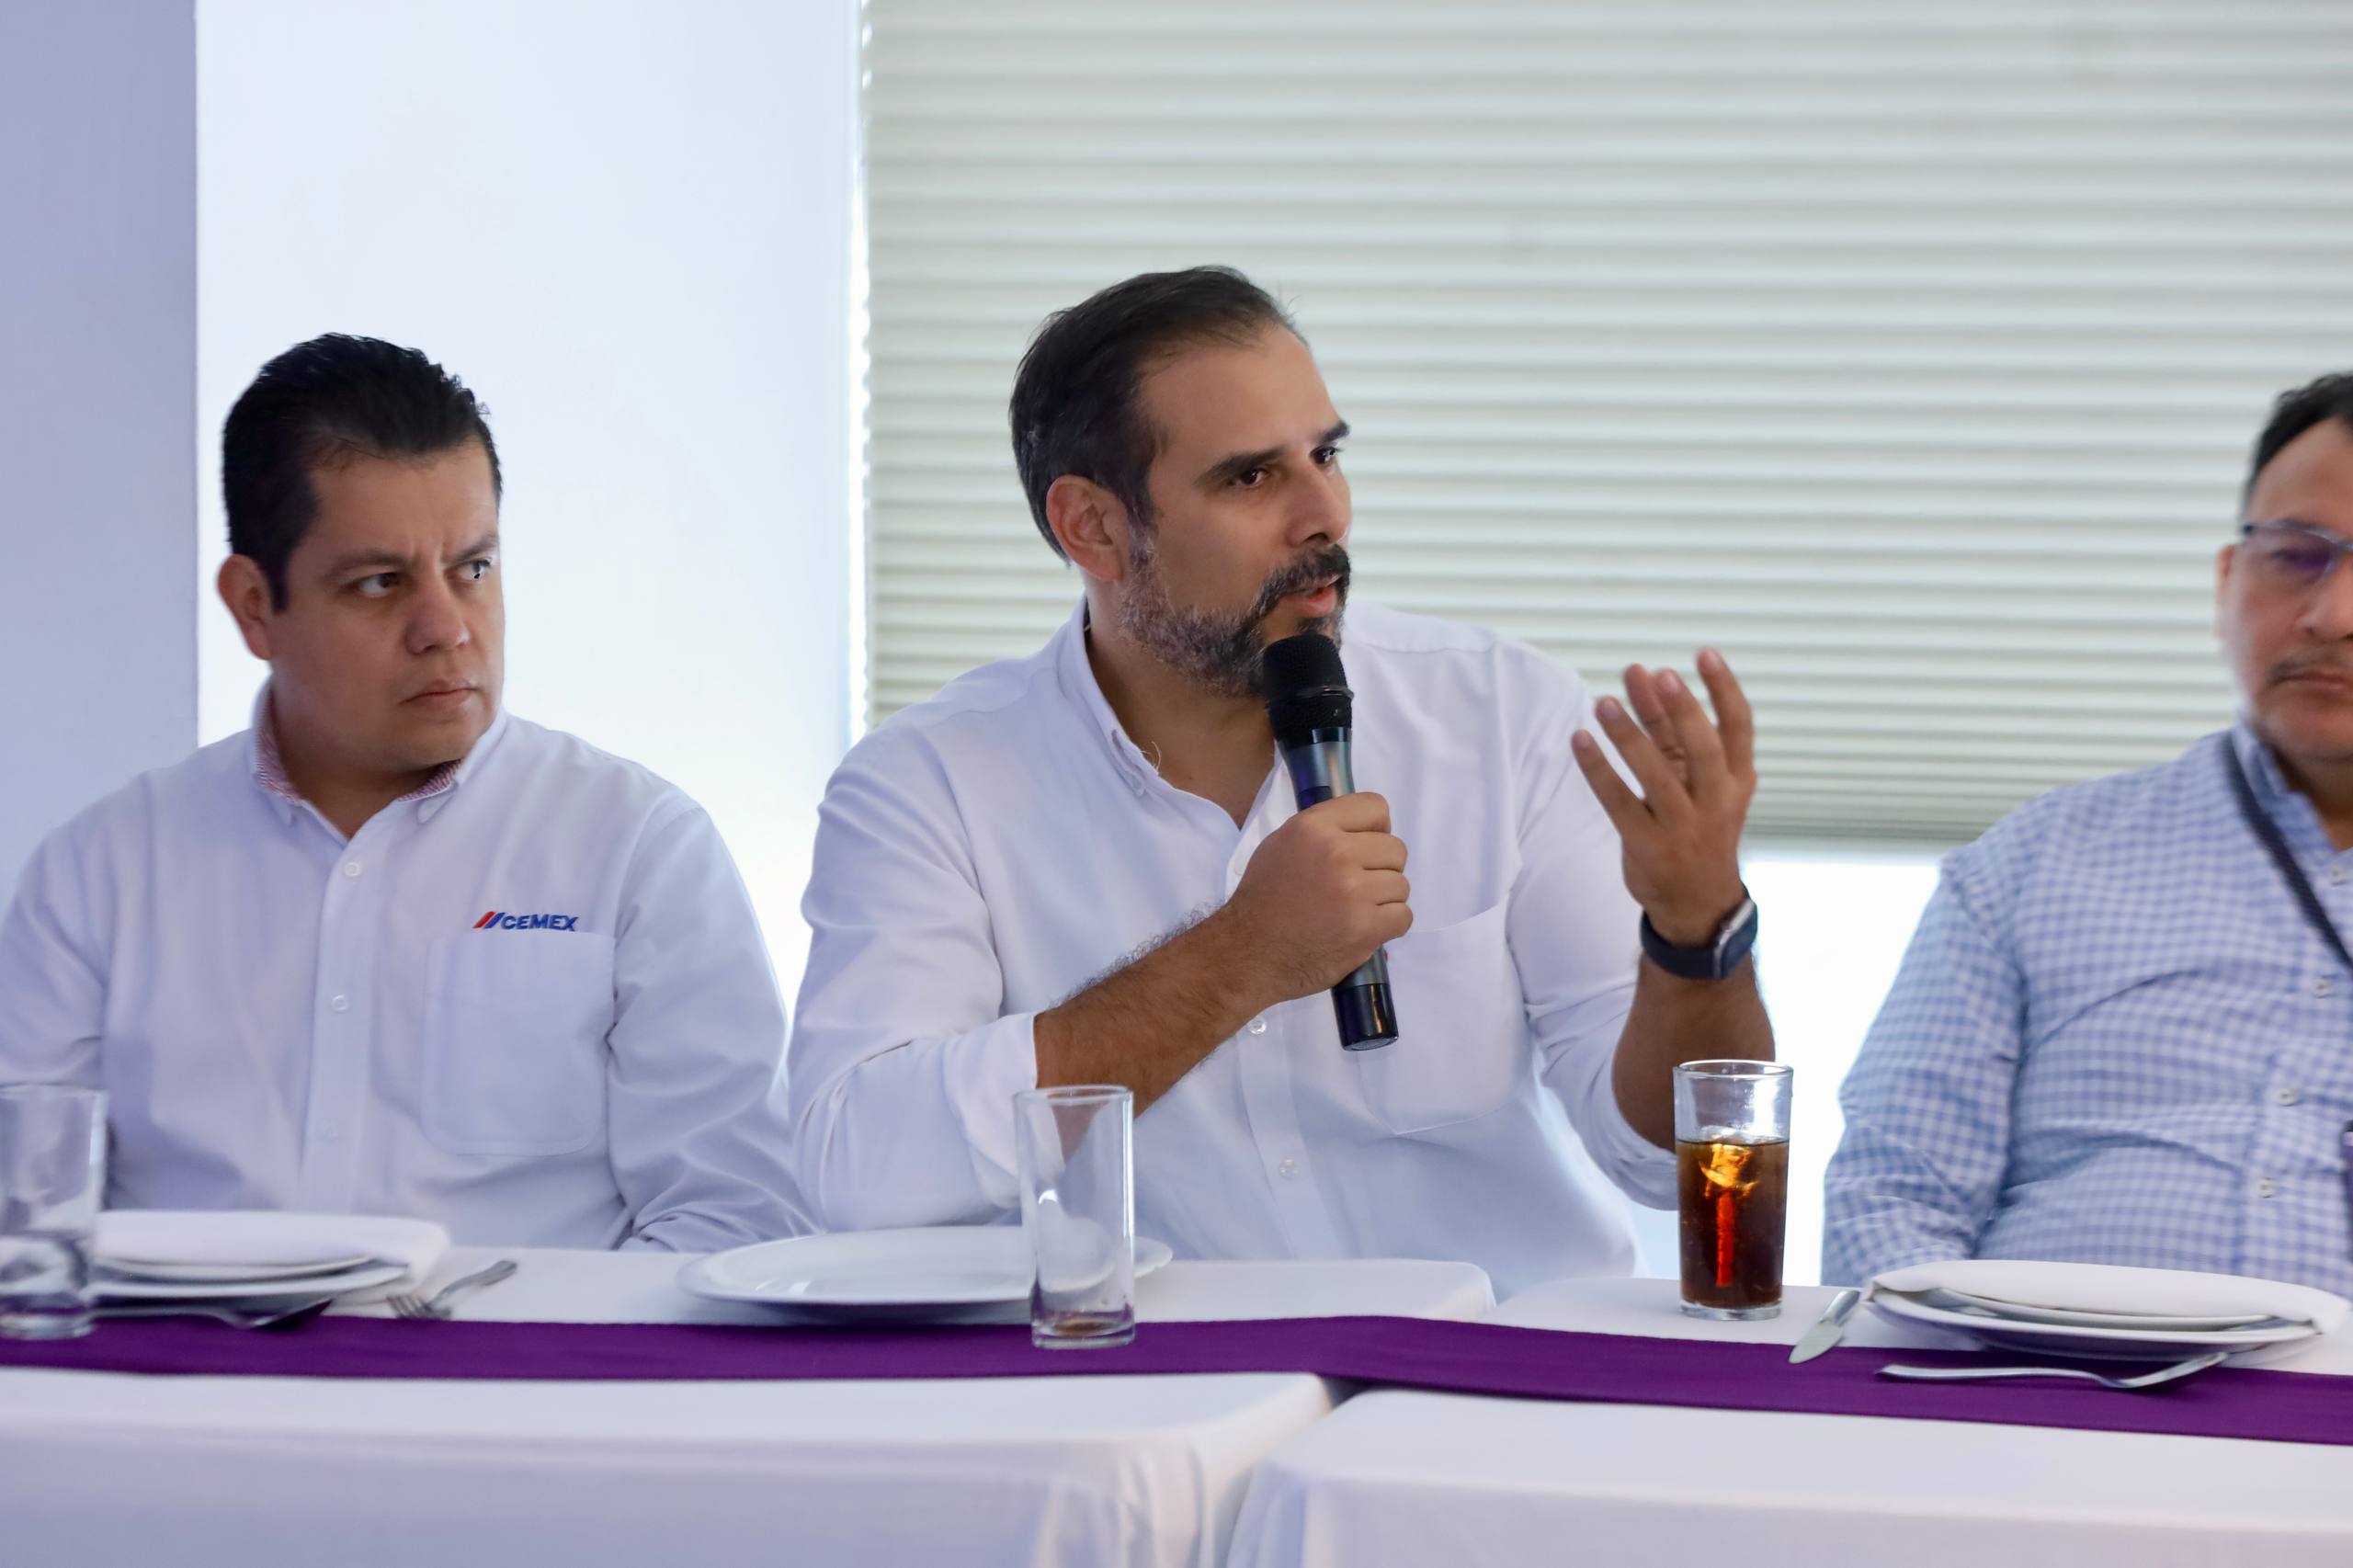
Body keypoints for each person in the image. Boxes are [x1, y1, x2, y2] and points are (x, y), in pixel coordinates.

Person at [788, 267, 1772, 1295]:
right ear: (1092, 528)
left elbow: (1663, 1159)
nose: (1324, 514)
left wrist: (1694, 935)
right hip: (1142, 1369)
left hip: (1490, 1355)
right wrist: (1239, 956)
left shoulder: (1504, 714)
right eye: (1251, 477)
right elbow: (860, 1174)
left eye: (1326, 455)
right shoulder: (930, 783)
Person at [0, 334, 807, 1250]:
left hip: (528, 1345)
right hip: (190, 1345)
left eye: (473, 568)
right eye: (379, 583)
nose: (445, 629)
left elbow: (735, 1218)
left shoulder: (636, 848)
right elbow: (24, 1220)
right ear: (255, 606)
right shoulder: (103, 871)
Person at [1824, 372, 2353, 1295]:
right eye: (2297, 556)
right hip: (2029, 1376)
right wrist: (1962, 1371)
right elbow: (1890, 1198)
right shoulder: (2032, 864)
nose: (2333, 615)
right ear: (2226, 580)